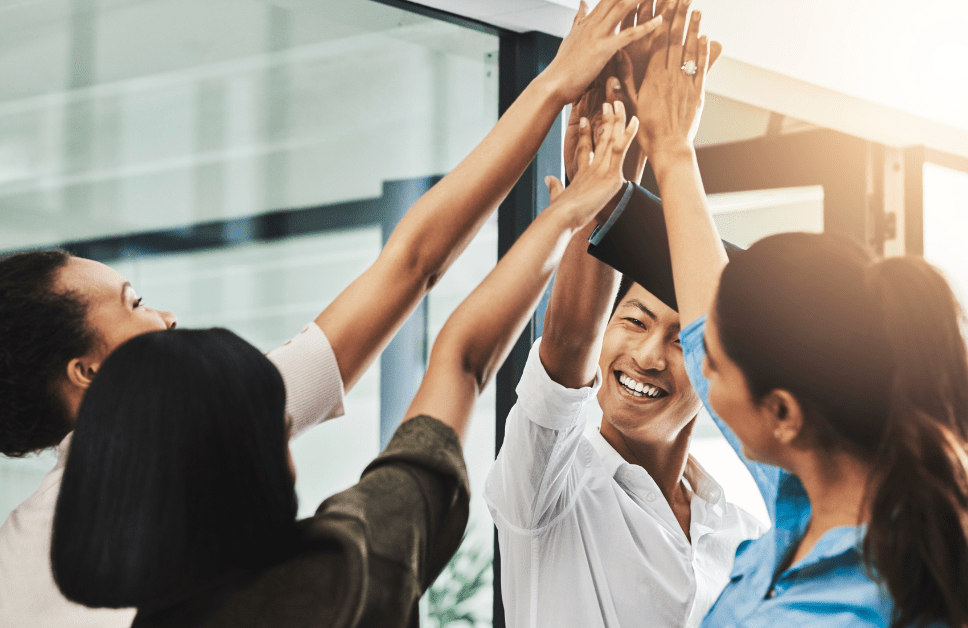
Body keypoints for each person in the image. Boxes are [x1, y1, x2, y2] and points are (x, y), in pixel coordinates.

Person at [0, 0, 657, 624]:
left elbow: (420, 275)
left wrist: (556, 113)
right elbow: (427, 295)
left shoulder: (19, 567)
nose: (166, 318)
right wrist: (562, 145)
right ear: (85, 371)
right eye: (135, 304)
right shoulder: (330, 564)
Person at [586, 4, 968, 626]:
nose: (697, 363)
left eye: (715, 366)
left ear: (783, 412)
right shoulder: (828, 491)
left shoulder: (831, 612)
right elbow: (710, 313)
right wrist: (671, 150)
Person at [484, 5, 759, 626]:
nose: (647, 355)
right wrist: (619, 154)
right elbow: (567, 347)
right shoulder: (549, 484)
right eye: (633, 320)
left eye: (677, 335)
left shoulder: (741, 532)